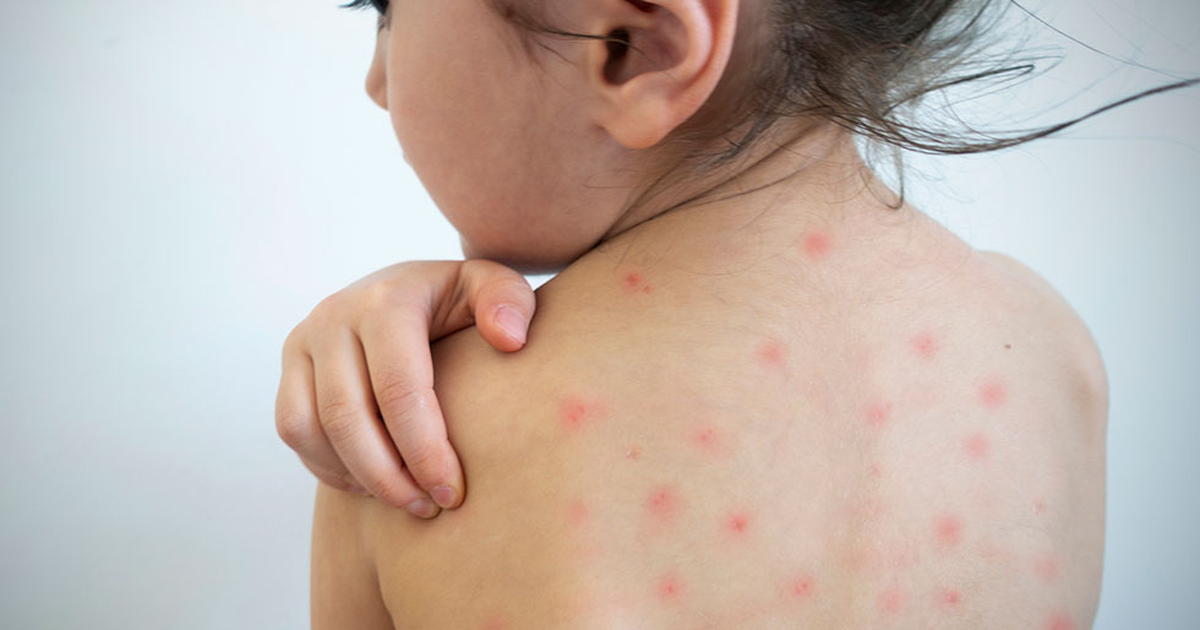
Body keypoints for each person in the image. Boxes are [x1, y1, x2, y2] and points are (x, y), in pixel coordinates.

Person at [274, 0, 1200, 626]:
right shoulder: (1049, 350)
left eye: (386, 9)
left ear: (633, 48)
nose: (377, 80)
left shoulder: (413, 432)